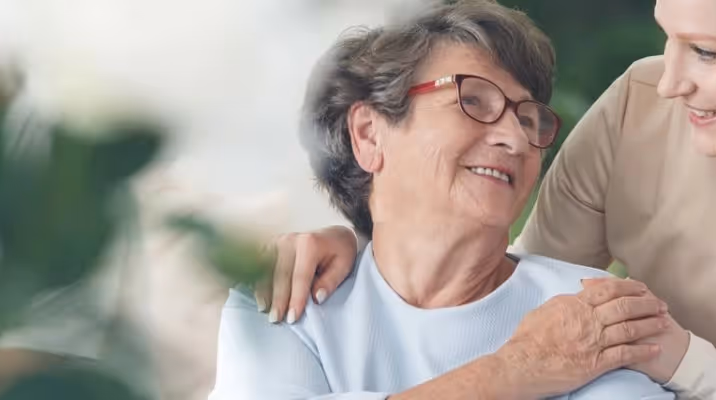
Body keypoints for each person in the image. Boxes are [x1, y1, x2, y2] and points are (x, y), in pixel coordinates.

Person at [256, 0, 716, 399]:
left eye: (705, 51)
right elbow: (511, 287)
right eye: (667, 36)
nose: (671, 81)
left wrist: (679, 358)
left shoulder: (614, 365)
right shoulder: (643, 107)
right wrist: (365, 239)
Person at [209, 2, 678, 399]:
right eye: (473, 100)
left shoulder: (591, 313)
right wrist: (516, 370)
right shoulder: (284, 295)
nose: (516, 139)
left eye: (528, 118)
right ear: (369, 134)